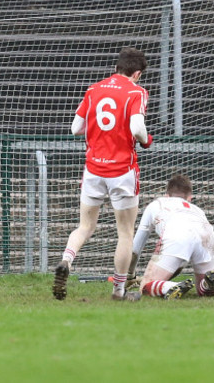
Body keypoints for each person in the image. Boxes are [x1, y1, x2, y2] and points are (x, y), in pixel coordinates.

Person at [52, 47, 153, 301]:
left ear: (117, 67)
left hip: (94, 168)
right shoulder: (136, 92)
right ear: (137, 74)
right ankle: (119, 290)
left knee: (85, 226)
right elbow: (137, 127)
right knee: (125, 232)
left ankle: (66, 260)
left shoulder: (93, 90)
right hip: (121, 171)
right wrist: (146, 139)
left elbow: (76, 128)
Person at [124, 174, 214, 301]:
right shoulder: (197, 210)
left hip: (177, 234)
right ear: (190, 198)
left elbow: (135, 249)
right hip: (207, 234)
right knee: (204, 292)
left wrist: (129, 275)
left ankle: (172, 287)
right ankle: (208, 283)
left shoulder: (157, 204)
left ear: (167, 195)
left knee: (145, 287)